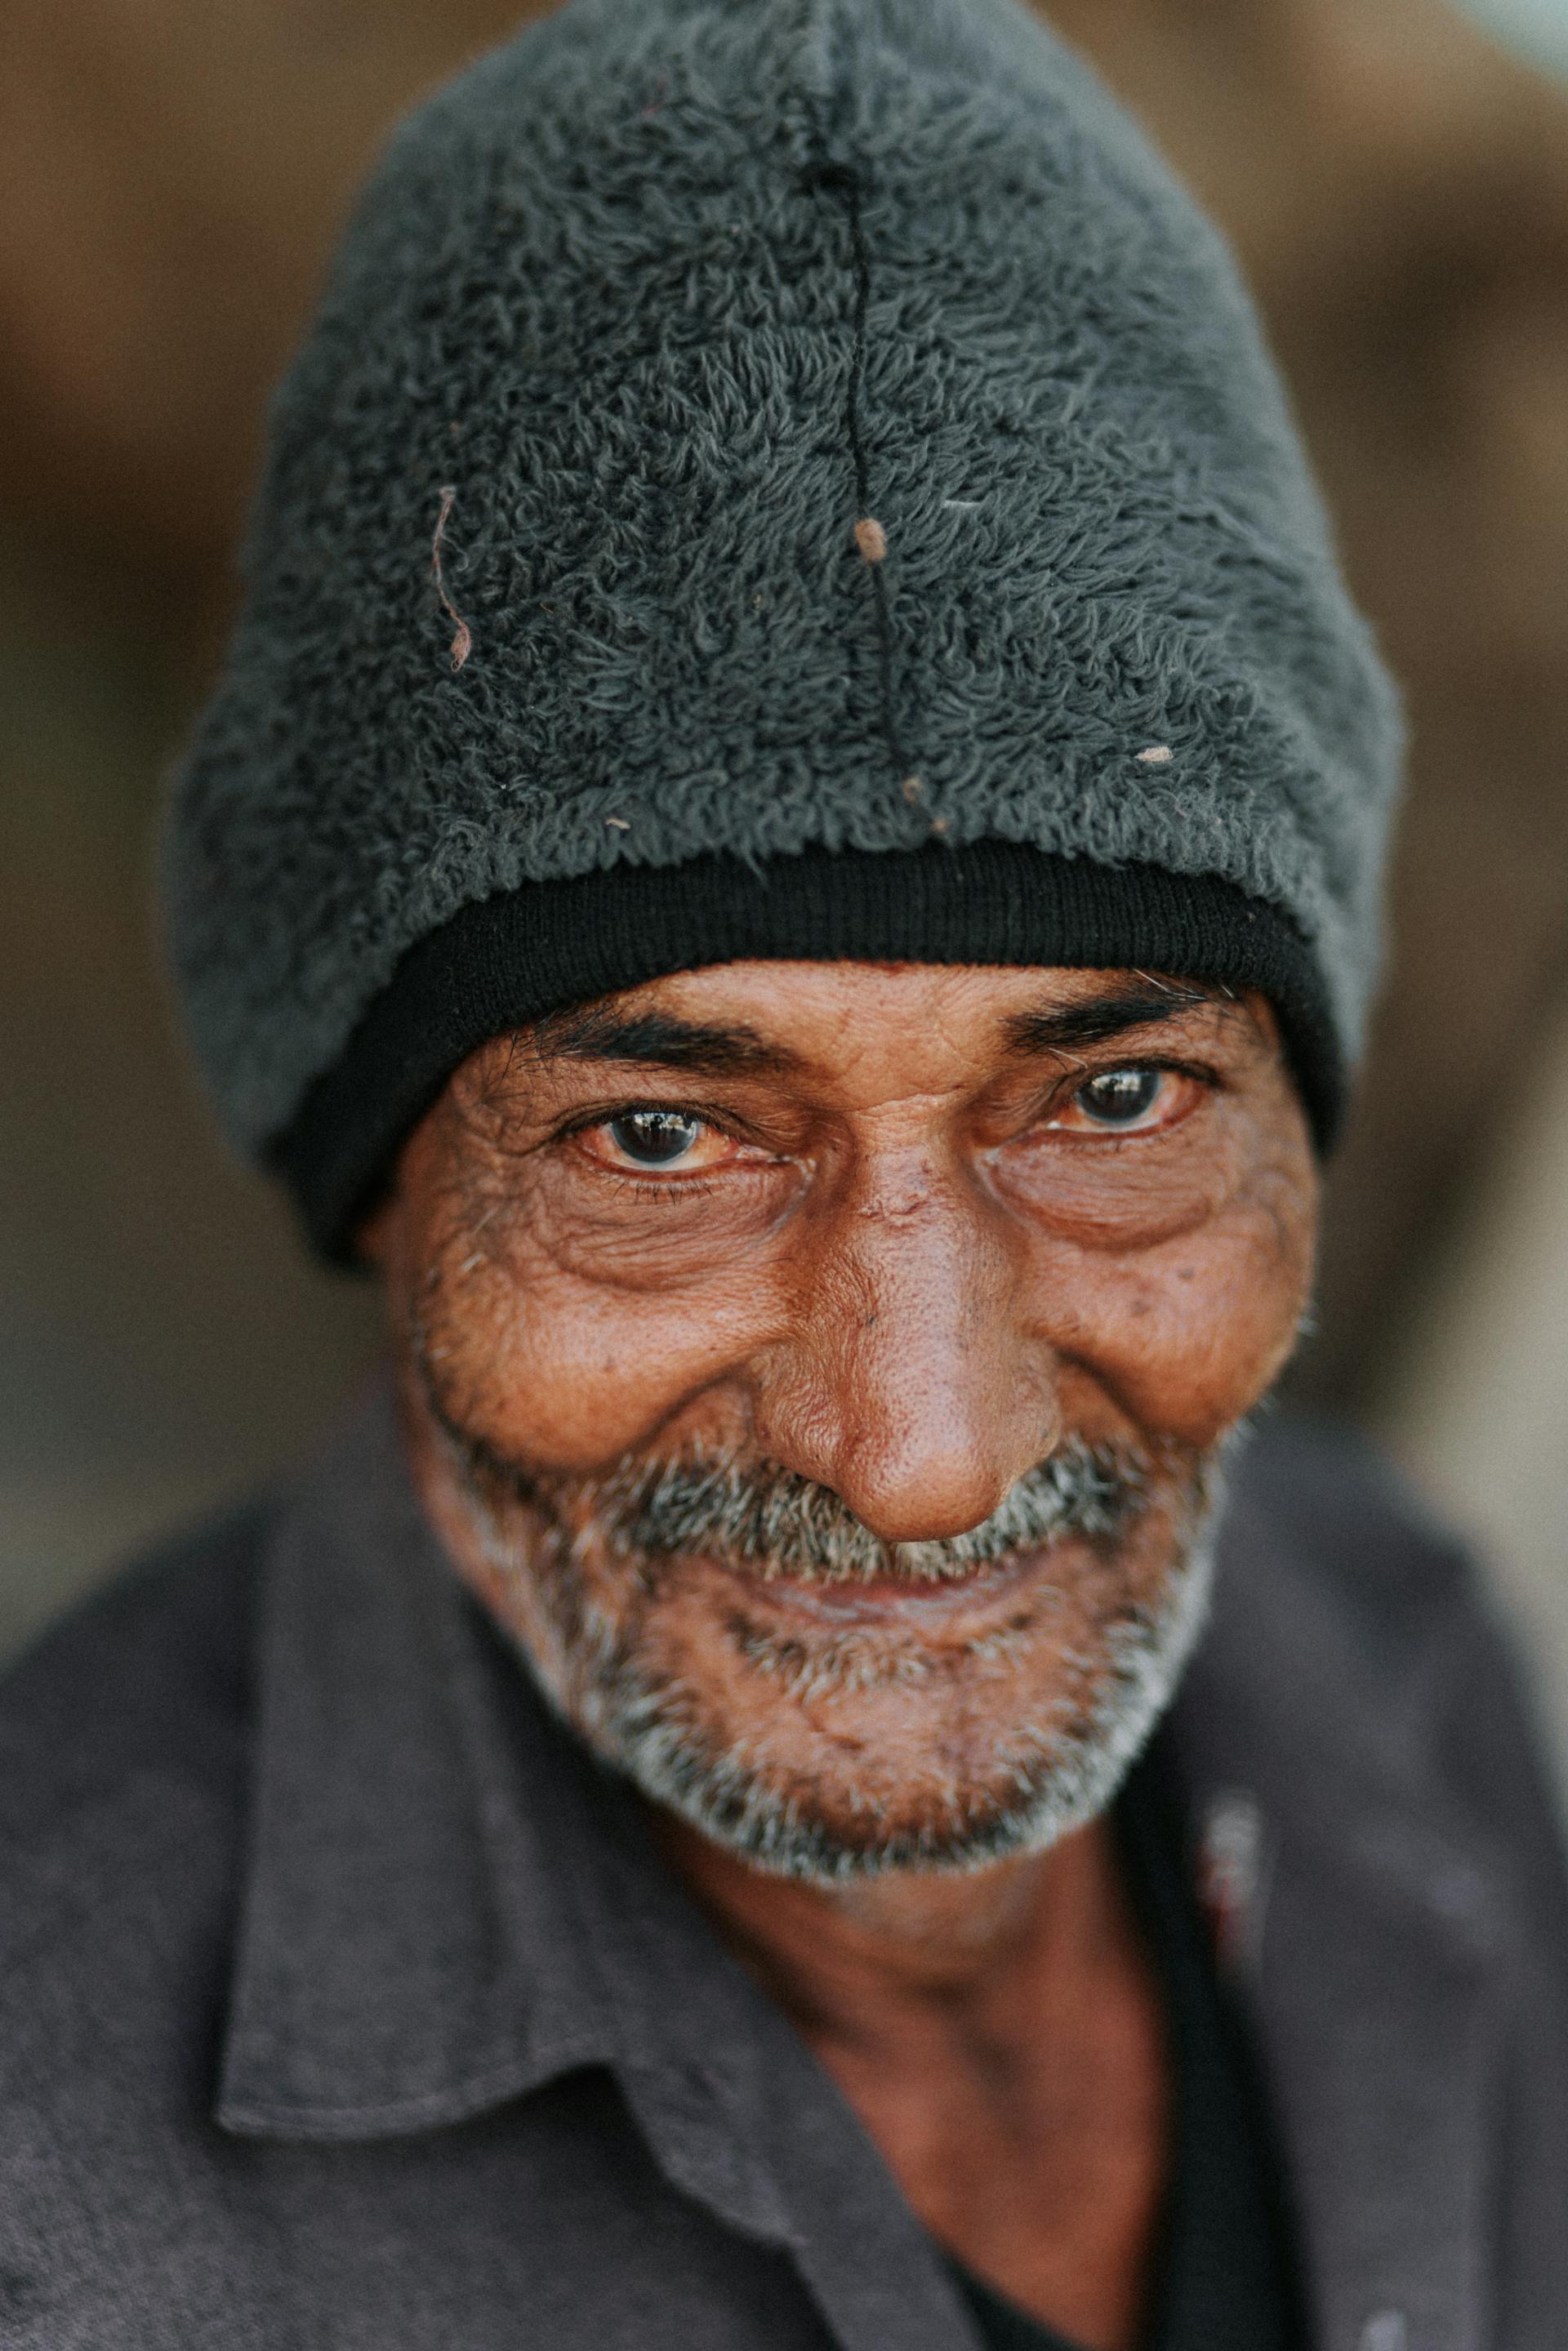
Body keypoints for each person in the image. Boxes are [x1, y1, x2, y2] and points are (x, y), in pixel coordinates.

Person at [3, 0, 1564, 2344]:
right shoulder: (59, 2197)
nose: (924, 1457)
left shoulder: (1391, 1656)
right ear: (373, 1178)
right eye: (662, 1139)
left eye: (1114, 1105)